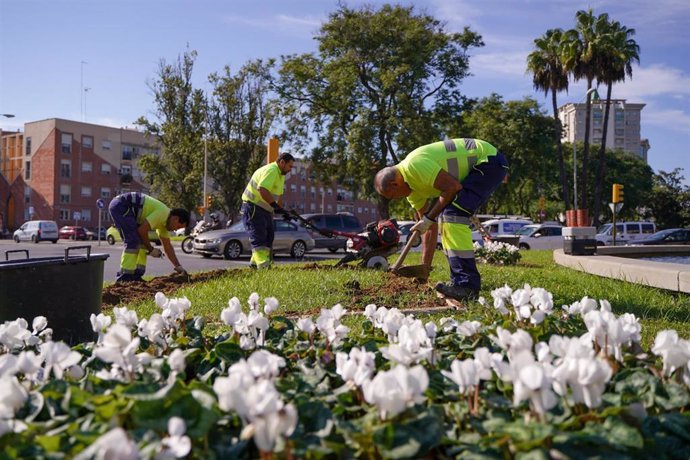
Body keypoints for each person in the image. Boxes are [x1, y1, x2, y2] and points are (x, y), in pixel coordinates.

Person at [374, 138, 508, 301]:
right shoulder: (413, 193)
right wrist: (424, 268)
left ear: (395, 184)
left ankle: (467, 286)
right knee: (449, 217)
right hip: (481, 167)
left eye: (393, 196)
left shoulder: (414, 166)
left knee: (453, 217)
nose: (395, 199)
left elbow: (453, 187)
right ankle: (462, 283)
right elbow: (428, 228)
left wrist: (429, 217)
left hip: (487, 160)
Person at [108, 191, 190, 283]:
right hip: (121, 205)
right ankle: (124, 277)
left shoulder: (164, 224)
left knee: (142, 243)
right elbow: (142, 230)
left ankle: (136, 276)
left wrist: (178, 266)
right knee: (133, 241)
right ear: (175, 219)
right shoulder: (163, 213)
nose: (176, 230)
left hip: (127, 208)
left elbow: (168, 247)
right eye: (178, 226)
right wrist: (151, 249)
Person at [241, 152, 295, 268]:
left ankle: (255, 264)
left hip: (264, 209)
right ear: (282, 162)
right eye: (290, 166)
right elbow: (263, 189)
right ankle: (263, 266)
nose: (291, 169)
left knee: (268, 236)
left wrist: (281, 211)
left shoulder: (280, 175)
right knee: (259, 236)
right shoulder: (271, 171)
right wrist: (274, 206)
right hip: (253, 206)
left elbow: (274, 196)